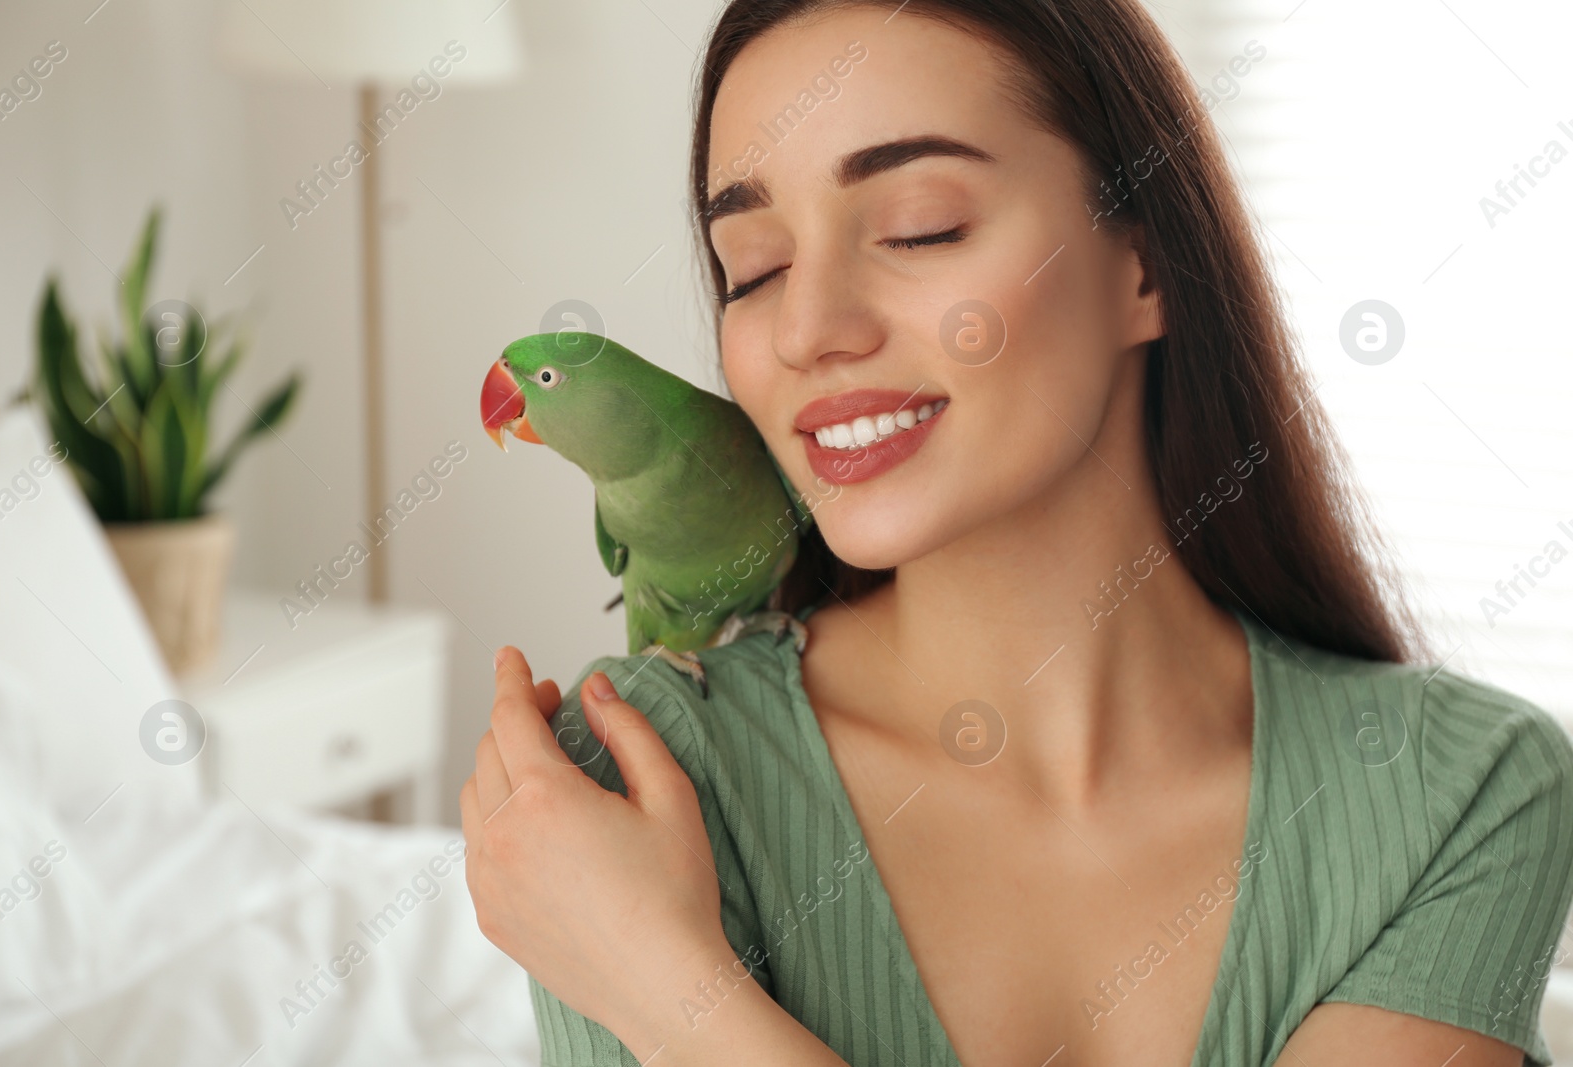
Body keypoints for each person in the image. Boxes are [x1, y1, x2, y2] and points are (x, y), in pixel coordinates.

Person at [459, 1, 1573, 1064]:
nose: (806, 329)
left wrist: (667, 991)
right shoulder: (624, 793)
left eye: (916, 229)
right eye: (754, 268)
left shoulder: (1462, 793)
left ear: (1143, 266)